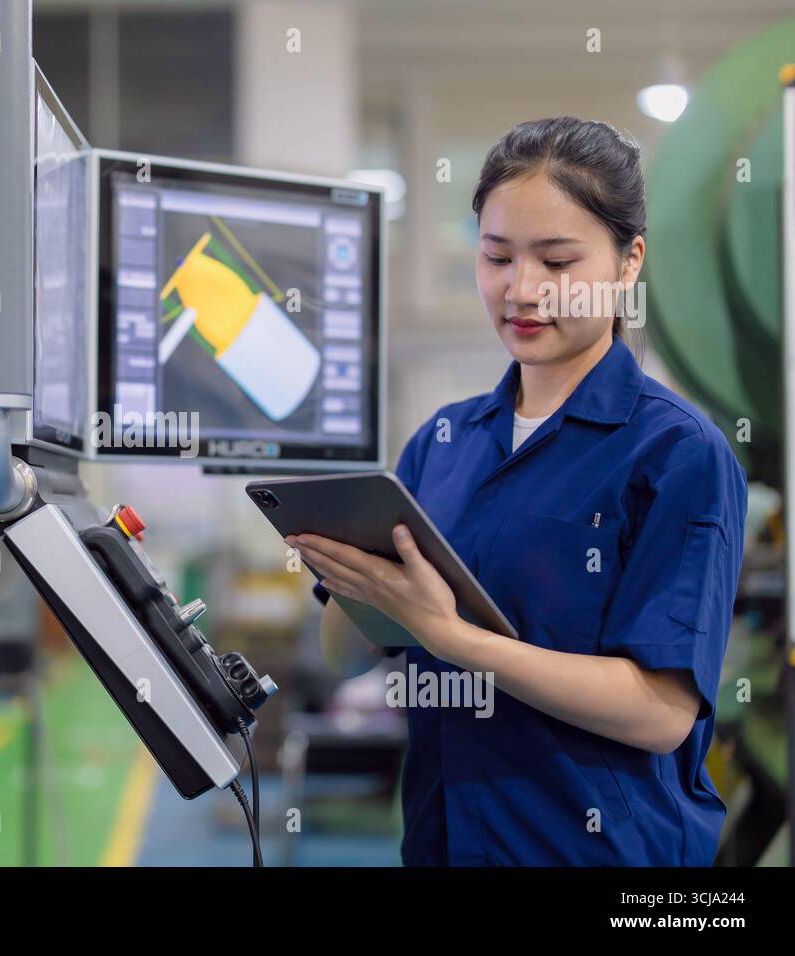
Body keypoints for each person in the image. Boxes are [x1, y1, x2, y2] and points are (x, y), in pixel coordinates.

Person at [290, 117, 748, 866]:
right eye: (497, 256)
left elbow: (662, 711)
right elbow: (348, 651)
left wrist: (453, 638)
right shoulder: (442, 444)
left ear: (629, 261)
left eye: (558, 262)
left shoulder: (675, 453)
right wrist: (347, 581)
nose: (522, 290)